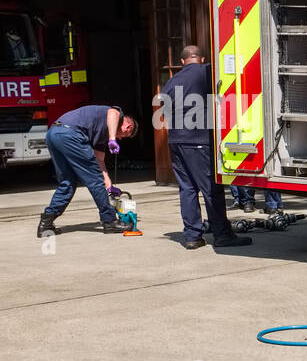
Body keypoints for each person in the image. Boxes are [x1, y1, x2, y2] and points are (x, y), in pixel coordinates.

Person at [159, 45, 251, 250]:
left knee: (187, 189)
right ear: (201, 59)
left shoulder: (172, 81)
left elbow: (164, 110)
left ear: (182, 61)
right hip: (198, 140)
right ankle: (222, 235)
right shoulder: (208, 71)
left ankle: (192, 236)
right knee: (211, 189)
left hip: (176, 141)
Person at [37, 104, 138, 236]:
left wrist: (109, 187)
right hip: (70, 134)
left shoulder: (100, 137)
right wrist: (113, 139)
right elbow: (113, 113)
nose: (120, 138)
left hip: (54, 134)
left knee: (67, 182)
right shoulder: (117, 116)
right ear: (128, 127)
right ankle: (110, 221)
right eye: (124, 136)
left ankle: (46, 222)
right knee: (94, 180)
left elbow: (99, 163)